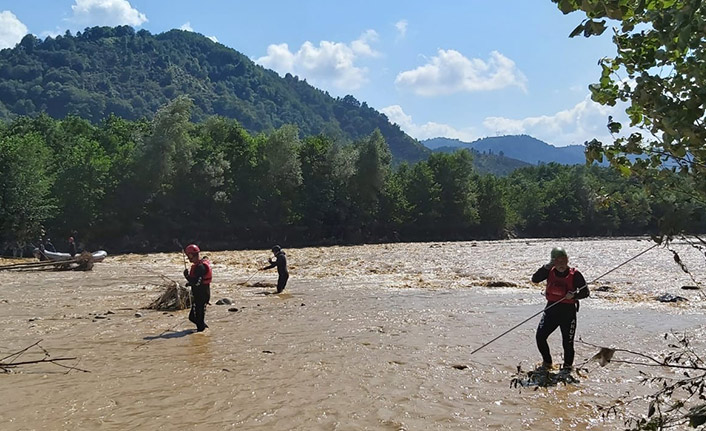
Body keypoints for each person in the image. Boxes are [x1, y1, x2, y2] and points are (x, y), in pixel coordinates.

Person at [532, 247, 589, 373]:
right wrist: (547, 267)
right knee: (540, 337)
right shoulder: (548, 271)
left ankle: (567, 368)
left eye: (564, 260)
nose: (562, 264)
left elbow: (585, 292)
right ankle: (547, 363)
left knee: (567, 343)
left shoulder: (575, 274)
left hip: (568, 313)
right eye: (558, 261)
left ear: (568, 260)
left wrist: (574, 295)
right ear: (553, 262)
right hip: (551, 310)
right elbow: (535, 279)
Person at [183, 244, 212, 332]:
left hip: (202, 295)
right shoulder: (198, 265)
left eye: (189, 256)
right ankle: (204, 330)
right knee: (193, 317)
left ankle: (202, 334)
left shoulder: (201, 267)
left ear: (193, 255)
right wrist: (189, 283)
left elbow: (197, 282)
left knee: (198, 318)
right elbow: (196, 281)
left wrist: (187, 277)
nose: (189, 258)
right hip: (198, 295)